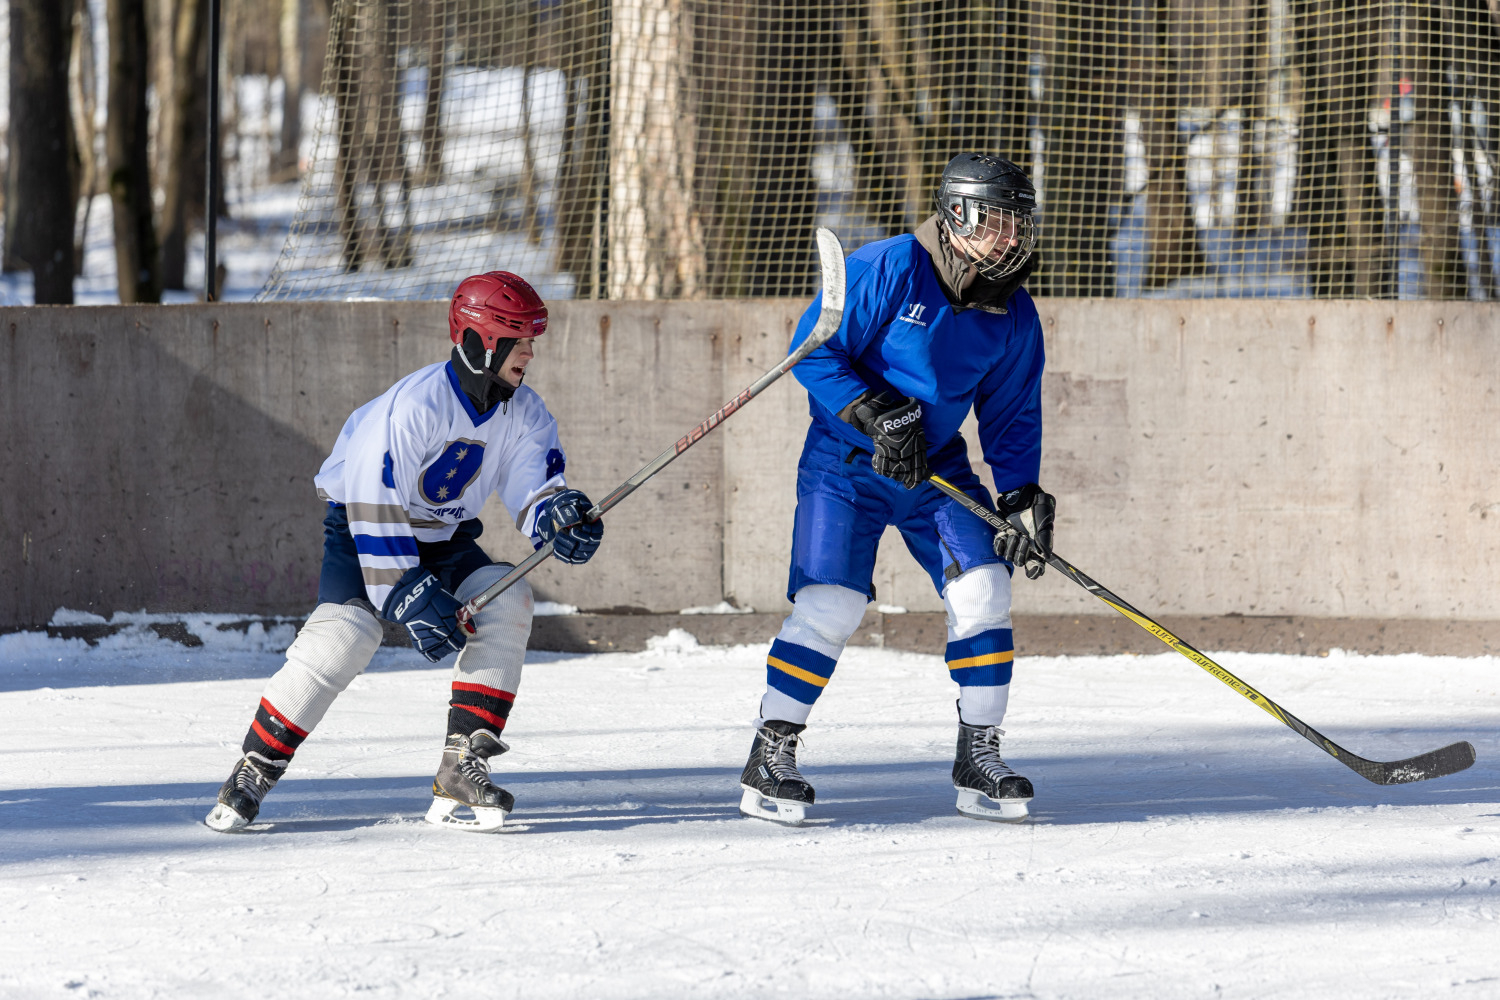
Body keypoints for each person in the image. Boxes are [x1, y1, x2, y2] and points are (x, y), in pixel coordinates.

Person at [205, 271, 604, 834]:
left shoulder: (524, 411)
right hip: (364, 530)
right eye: (519, 338)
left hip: (445, 539)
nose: (531, 352)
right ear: (481, 340)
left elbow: (534, 484)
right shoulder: (415, 404)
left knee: (508, 600)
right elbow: (371, 496)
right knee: (343, 639)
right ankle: (254, 767)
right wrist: (402, 587)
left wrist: (557, 517)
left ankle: (461, 767)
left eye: (531, 339)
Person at [738, 153, 1056, 826]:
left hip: (935, 471)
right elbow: (813, 350)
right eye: (999, 222)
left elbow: (1012, 412)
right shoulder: (887, 268)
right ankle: (772, 753)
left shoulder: (1012, 313)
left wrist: (1021, 492)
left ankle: (979, 755)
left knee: (984, 590)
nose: (1012, 238)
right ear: (959, 215)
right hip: (845, 464)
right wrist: (876, 410)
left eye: (1019, 224)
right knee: (831, 604)